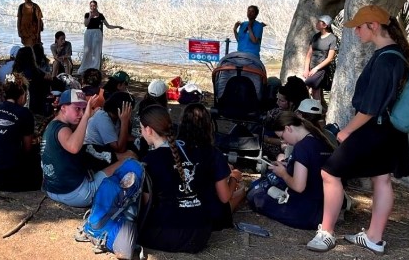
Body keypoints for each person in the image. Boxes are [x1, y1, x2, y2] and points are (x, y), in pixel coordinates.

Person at [307, 5, 409, 255]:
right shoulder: (396, 55)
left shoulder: (385, 59)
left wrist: (347, 131)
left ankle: (326, 233)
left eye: (359, 27)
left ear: (373, 26)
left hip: (373, 128)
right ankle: (374, 237)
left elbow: (370, 108)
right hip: (392, 130)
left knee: (330, 172)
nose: (356, 32)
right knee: (382, 179)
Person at [138, 105, 215, 253]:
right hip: (201, 233)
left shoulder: (151, 160)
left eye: (141, 128)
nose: (141, 133)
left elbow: (146, 203)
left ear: (149, 130)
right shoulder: (192, 151)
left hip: (171, 235)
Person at [40, 89, 128, 207]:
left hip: (52, 190)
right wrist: (86, 117)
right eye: (77, 109)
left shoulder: (53, 125)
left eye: (83, 109)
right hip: (75, 195)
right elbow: (74, 147)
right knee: (127, 161)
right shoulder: (62, 130)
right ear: (63, 108)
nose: (81, 113)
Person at [249, 112, 334, 230]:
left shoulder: (302, 147)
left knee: (255, 195)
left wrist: (283, 173)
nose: (284, 142)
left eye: (282, 137)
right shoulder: (321, 140)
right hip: (324, 211)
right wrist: (290, 165)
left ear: (288, 128)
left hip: (303, 213)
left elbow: (299, 187)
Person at [176, 103, 244, 231]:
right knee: (240, 191)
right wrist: (234, 178)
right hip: (206, 215)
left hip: (177, 212)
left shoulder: (172, 150)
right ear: (208, 126)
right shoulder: (214, 154)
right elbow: (224, 197)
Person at [82, 93, 134, 170]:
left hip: (106, 147)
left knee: (138, 145)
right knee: (130, 157)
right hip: (92, 150)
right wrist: (124, 121)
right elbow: (120, 149)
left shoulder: (116, 117)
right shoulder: (103, 118)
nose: (130, 113)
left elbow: (127, 136)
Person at [77, 0, 123, 74]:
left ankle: (95, 68)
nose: (92, 7)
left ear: (96, 6)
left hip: (97, 33)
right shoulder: (87, 14)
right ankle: (85, 68)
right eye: (91, 6)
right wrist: (90, 16)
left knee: (96, 51)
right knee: (87, 51)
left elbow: (108, 25)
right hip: (88, 33)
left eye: (94, 5)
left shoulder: (100, 15)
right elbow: (86, 24)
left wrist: (117, 26)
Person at [304, 15, 338, 107]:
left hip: (321, 69)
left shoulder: (332, 38)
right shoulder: (315, 37)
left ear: (325, 25)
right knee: (316, 90)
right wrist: (306, 69)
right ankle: (317, 110)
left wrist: (316, 69)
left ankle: (313, 110)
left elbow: (330, 58)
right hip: (311, 67)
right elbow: (309, 54)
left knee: (307, 86)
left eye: (319, 22)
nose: (316, 23)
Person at [13, 46, 54, 115]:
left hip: (18, 103)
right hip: (36, 105)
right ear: (32, 57)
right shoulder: (35, 72)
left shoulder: (15, 72)